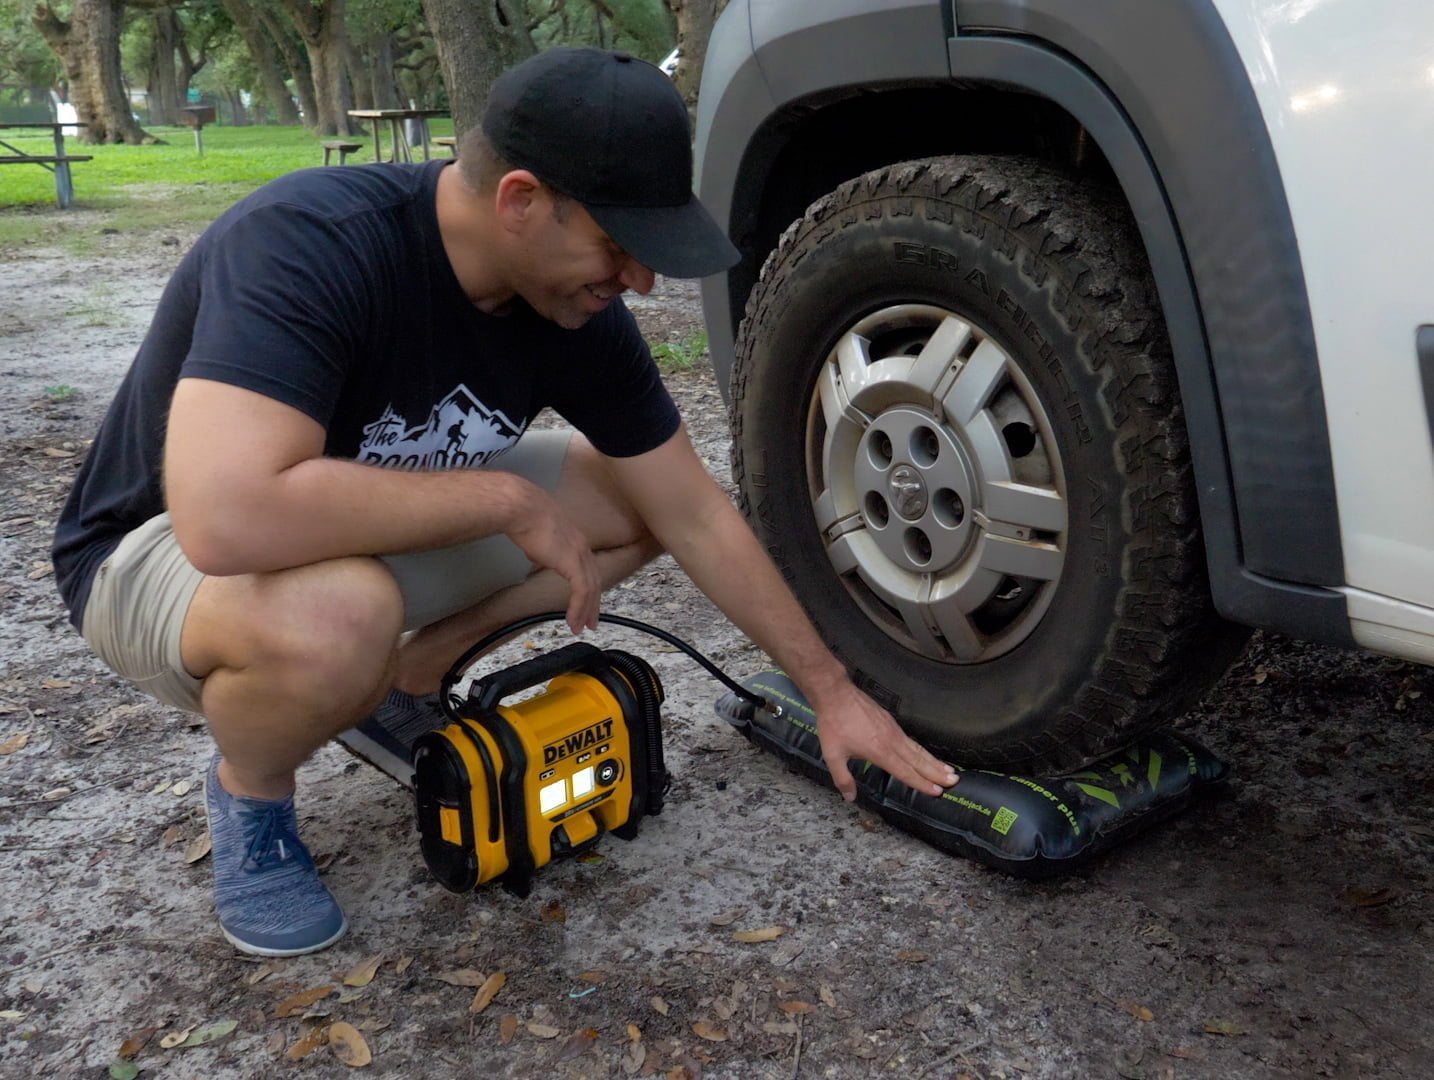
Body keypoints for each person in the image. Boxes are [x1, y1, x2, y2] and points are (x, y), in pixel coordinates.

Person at [51, 47, 957, 958]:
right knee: (340, 617)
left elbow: (693, 513)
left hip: (342, 522)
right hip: (154, 551)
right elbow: (226, 516)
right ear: (519, 201)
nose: (638, 281)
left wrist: (830, 693)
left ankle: (403, 681)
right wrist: (501, 501)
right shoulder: (312, 241)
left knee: (633, 501)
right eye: (618, 244)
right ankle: (253, 800)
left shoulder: (571, 308)